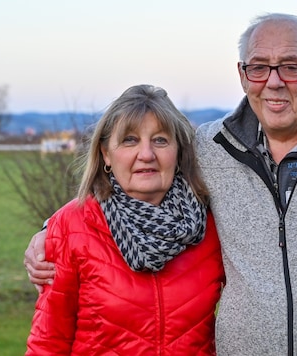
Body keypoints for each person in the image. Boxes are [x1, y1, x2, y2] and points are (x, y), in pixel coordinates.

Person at [25, 13, 297, 355]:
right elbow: (135, 183)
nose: (273, 81)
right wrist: (51, 232)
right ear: (242, 74)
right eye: (259, 67)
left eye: (291, 66)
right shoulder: (208, 150)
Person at [25, 84, 225, 355]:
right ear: (106, 154)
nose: (146, 154)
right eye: (130, 140)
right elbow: (49, 343)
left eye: (160, 140)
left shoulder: (211, 224)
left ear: (179, 152)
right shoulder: (72, 226)